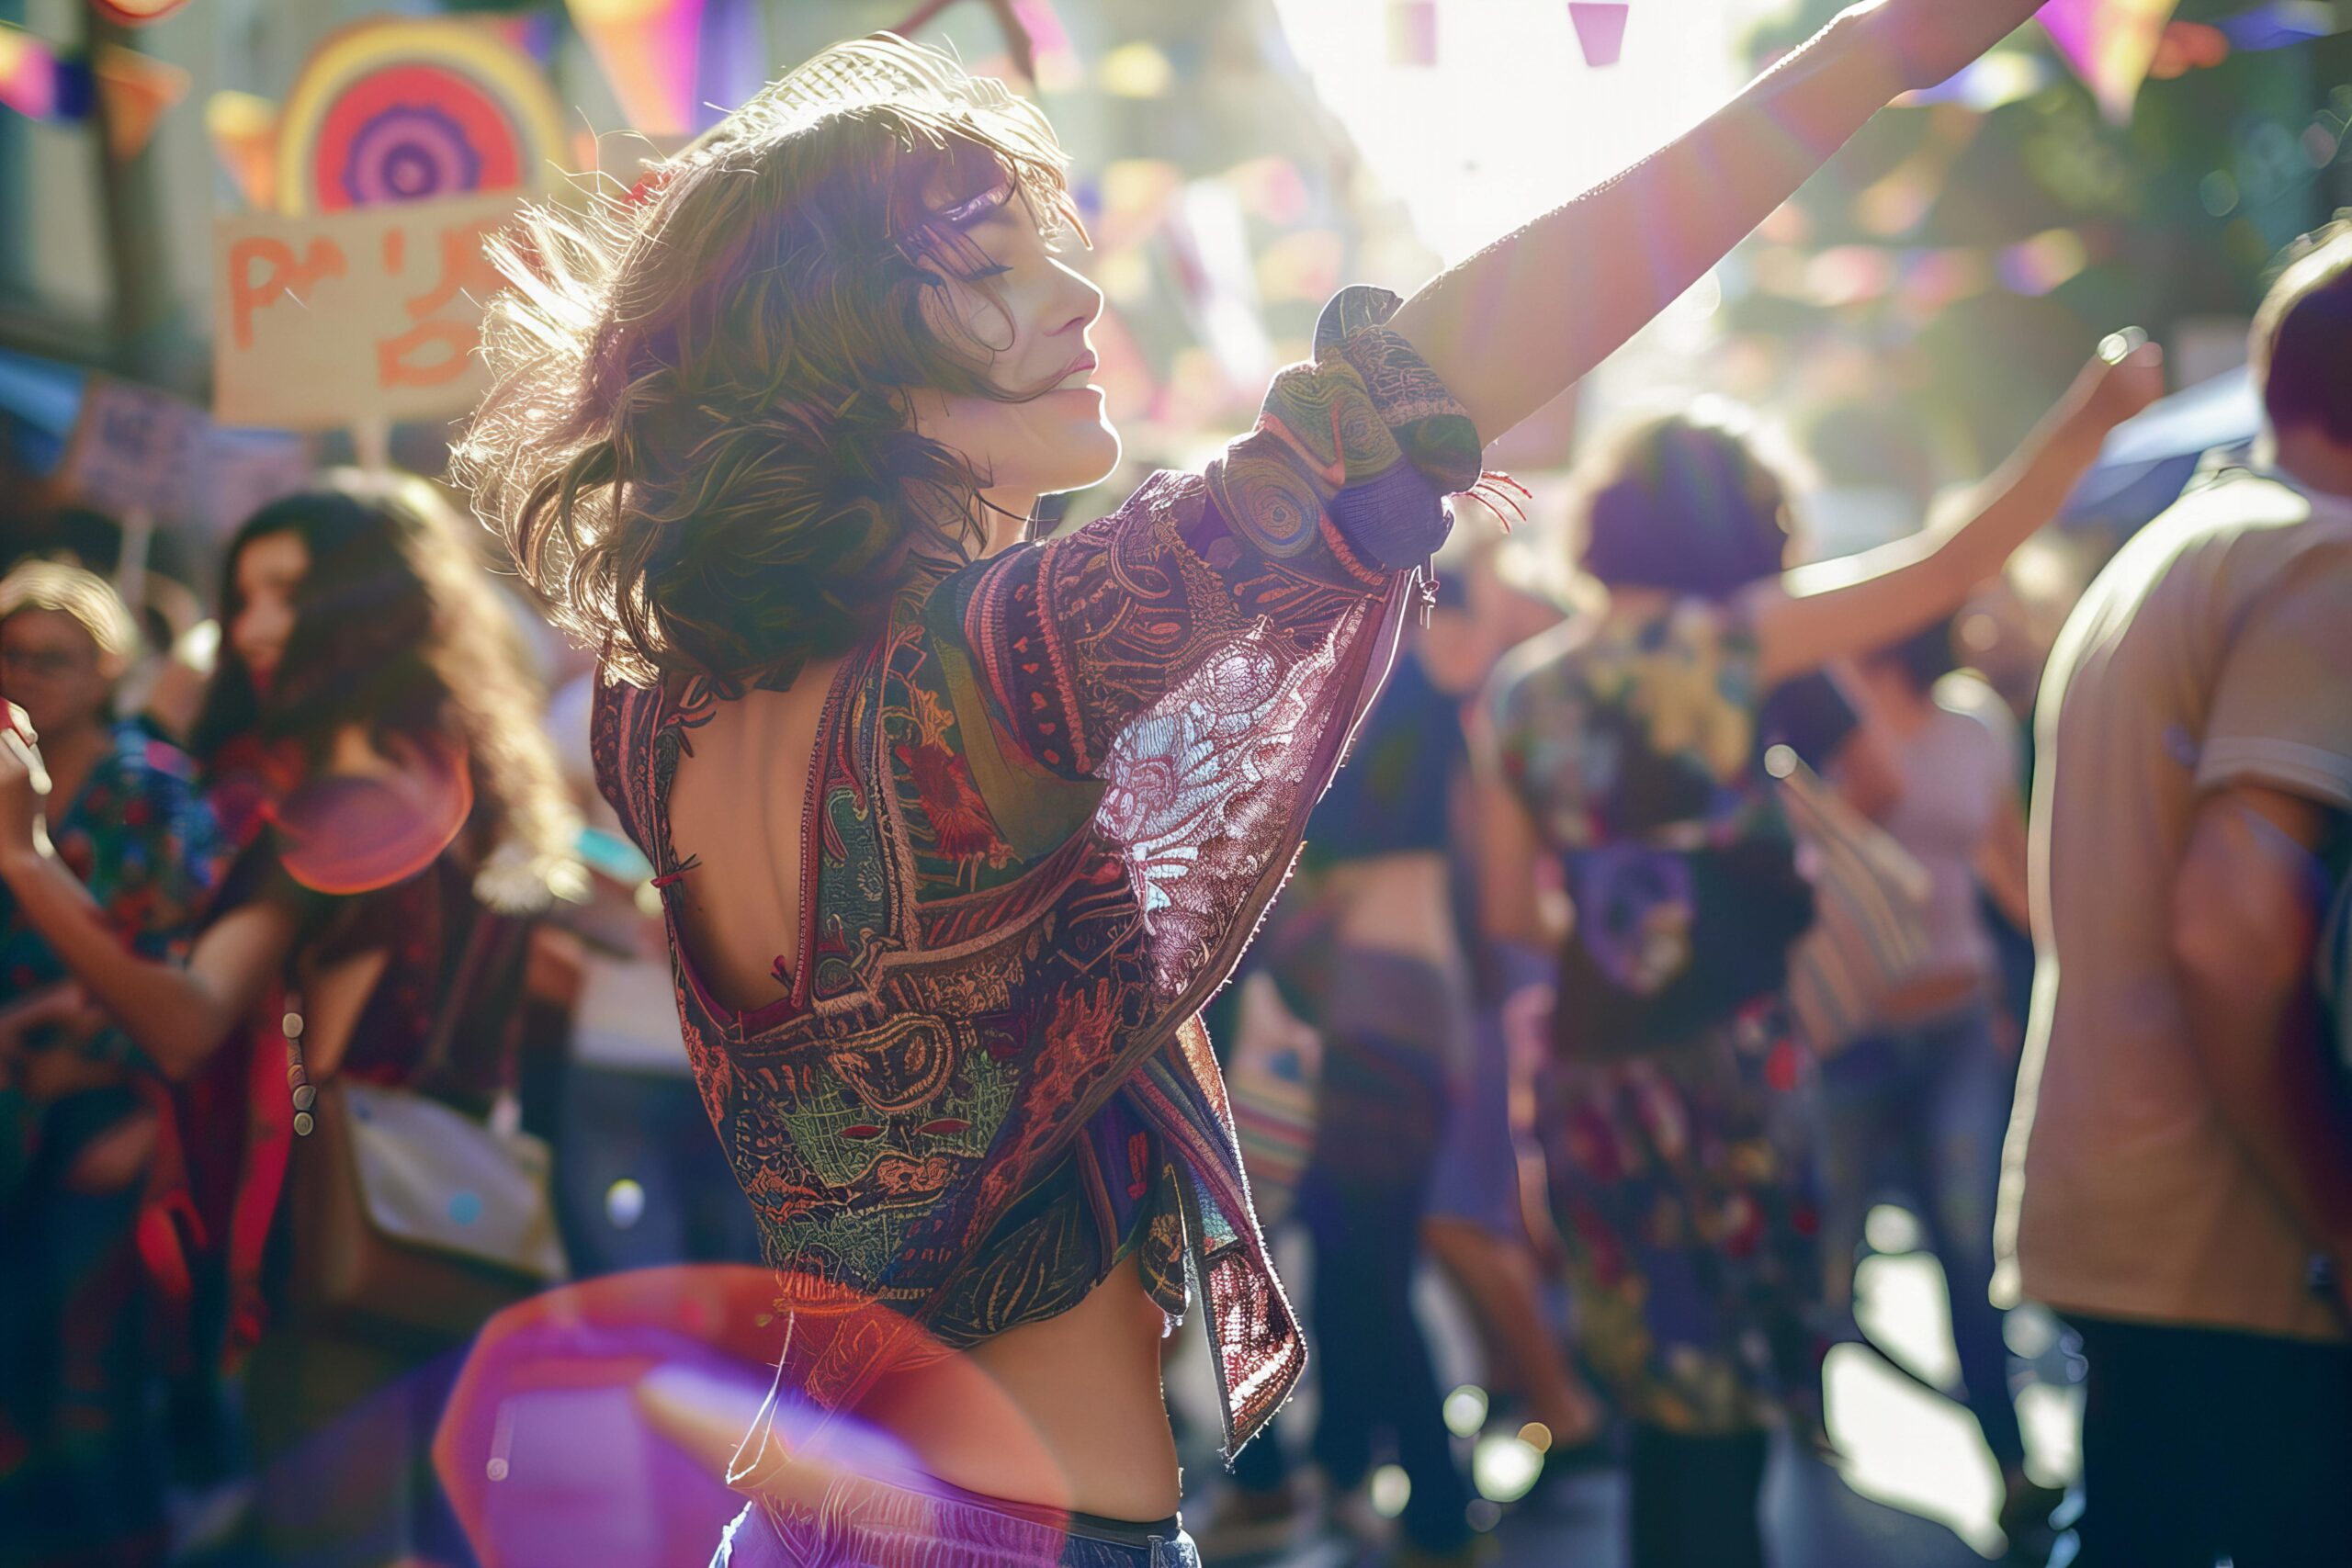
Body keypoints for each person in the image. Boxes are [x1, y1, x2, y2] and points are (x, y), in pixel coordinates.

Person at [449, 8, 2067, 1561]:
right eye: (996, 268)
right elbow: (1400, 401)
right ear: (847, 348)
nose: (1083, 293)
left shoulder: (660, 715)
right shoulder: (984, 666)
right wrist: (1857, 63)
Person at [1476, 355, 2159, 1568]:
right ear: (1747, 520)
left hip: (1593, 1076)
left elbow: (1510, 909)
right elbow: (1952, 562)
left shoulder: (1526, 689)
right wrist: (2091, 412)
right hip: (1732, 1063)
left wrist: (1626, 908)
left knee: (1657, 1396)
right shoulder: (1740, 637)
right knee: (1736, 1393)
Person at [0, 476, 581, 1566]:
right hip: (456, 1227)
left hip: (334, 1252)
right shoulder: (451, 780)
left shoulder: (335, 816)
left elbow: (187, 1023)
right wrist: (78, 1001)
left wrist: (22, 853)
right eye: (245, 594)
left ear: (365, 606)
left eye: (286, 594)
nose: (252, 628)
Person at [1995, 227, 2352, 1567]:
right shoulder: (2324, 557)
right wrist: (2339, 1210)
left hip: (2129, 1211)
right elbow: (2235, 925)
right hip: (2252, 1249)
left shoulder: (2178, 547)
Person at [0, 562, 223, 1568]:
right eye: (11, 655)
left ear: (107, 673)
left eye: (57, 659)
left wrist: (56, 1018)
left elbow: (166, 954)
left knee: (83, 1377)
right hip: (17, 1109)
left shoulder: (146, 786)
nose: (30, 675)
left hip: (104, 1110)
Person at [1818, 616, 2055, 1544]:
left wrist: (2081, 960)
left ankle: (2007, 1458)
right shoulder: (1831, 718)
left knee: (1966, 1241)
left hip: (1955, 1020)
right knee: (1826, 1249)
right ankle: (1812, 1426)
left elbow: (2006, 862)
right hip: (1849, 1030)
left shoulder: (1974, 726)